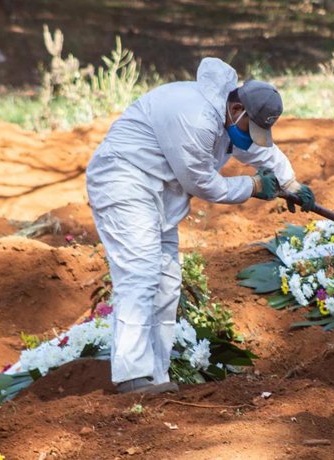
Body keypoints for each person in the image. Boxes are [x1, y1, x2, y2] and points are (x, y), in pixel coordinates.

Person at [86, 57, 315, 394]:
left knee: (166, 283)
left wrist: (290, 183)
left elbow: (258, 151)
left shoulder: (227, 115)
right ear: (237, 107)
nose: (249, 137)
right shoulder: (195, 117)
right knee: (140, 273)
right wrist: (251, 187)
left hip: (159, 193)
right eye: (248, 126)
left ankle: (156, 376)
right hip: (124, 181)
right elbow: (200, 182)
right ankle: (131, 375)